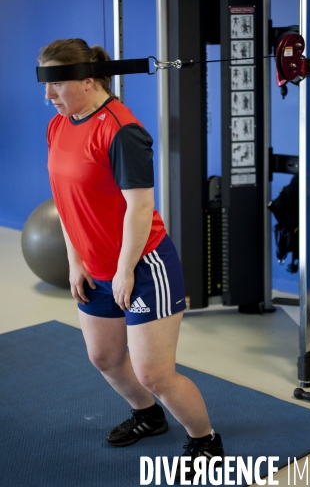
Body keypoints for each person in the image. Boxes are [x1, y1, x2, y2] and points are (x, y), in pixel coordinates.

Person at [39, 38, 224, 479]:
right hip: (94, 266)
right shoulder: (60, 125)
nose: (48, 96)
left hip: (143, 266)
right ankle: (149, 416)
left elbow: (140, 208)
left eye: (56, 84)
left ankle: (206, 439)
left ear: (88, 81)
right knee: (104, 358)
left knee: (155, 374)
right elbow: (66, 201)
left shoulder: (121, 131)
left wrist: (125, 272)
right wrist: (75, 261)